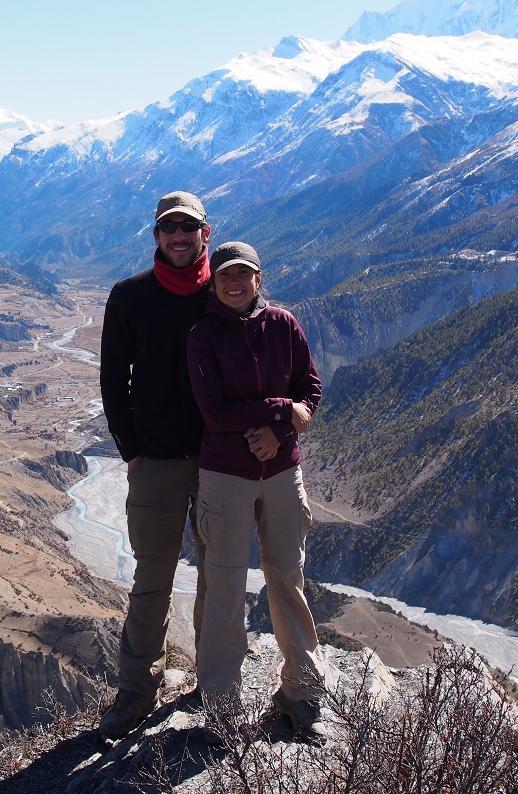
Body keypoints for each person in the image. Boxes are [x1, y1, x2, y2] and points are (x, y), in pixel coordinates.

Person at [186, 240, 327, 745]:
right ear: (214, 281)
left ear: (259, 278)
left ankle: (302, 692)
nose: (234, 282)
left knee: (287, 578)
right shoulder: (202, 336)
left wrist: (281, 432)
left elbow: (308, 391)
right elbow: (216, 413)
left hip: (283, 473)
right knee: (224, 585)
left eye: (243, 274)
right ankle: (222, 704)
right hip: (225, 477)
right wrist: (277, 410)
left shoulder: (284, 326)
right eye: (225, 275)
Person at [96, 191, 213, 741]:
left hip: (221, 462)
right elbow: (112, 378)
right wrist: (131, 450)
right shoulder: (129, 297)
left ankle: (215, 681)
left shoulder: (227, 290)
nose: (179, 237)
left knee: (221, 573)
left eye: (188, 228)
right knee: (152, 579)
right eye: (170, 228)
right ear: (157, 236)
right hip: (156, 462)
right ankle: (139, 690)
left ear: (204, 233)